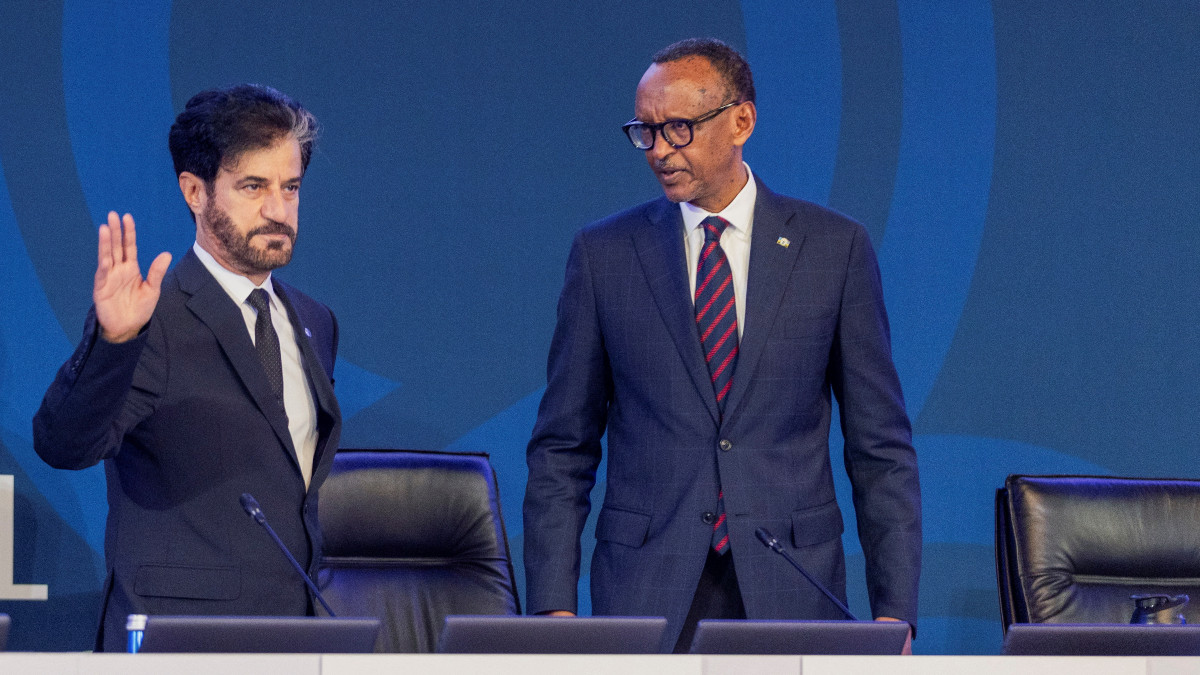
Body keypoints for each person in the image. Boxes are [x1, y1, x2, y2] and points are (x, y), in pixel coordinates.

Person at [523, 38, 920, 652]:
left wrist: (896, 612)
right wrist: (553, 606)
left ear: (742, 121)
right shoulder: (605, 256)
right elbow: (562, 447)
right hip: (645, 589)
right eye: (645, 131)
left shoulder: (833, 249)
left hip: (794, 585)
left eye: (678, 128)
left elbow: (880, 448)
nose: (659, 151)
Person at [33, 84, 341, 652]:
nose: (279, 209)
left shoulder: (315, 322)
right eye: (253, 186)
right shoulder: (156, 317)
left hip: (294, 641)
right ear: (195, 192)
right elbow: (63, 444)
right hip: (178, 642)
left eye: (290, 187)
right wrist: (114, 341)